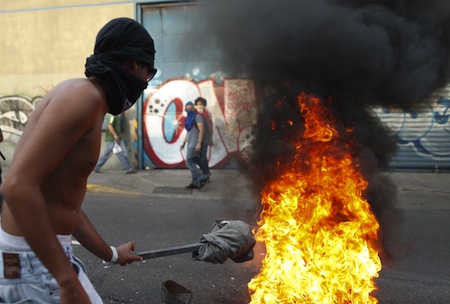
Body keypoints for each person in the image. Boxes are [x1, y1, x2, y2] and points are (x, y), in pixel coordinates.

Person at [0, 17, 157, 303]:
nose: (146, 81)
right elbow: (16, 186)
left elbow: (65, 207)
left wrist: (111, 253)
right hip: (33, 262)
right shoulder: (83, 99)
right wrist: (65, 279)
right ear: (134, 65)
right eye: (150, 72)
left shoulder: (85, 97)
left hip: (41, 255)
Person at [181, 101, 208, 189]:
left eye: (190, 108)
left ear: (193, 108)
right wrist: (184, 142)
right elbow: (188, 132)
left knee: (189, 162)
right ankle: (195, 183)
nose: (188, 110)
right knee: (193, 162)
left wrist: (199, 143)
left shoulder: (197, 117)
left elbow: (202, 130)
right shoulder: (189, 118)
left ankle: (201, 177)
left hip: (195, 144)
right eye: (187, 108)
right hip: (190, 144)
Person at [194, 97, 213, 180]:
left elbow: (210, 127)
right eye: (197, 104)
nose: (199, 106)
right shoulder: (194, 113)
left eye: (200, 104)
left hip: (204, 139)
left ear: (204, 105)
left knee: (203, 157)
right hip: (195, 139)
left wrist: (210, 139)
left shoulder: (207, 114)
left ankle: (206, 173)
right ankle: (204, 172)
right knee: (196, 157)